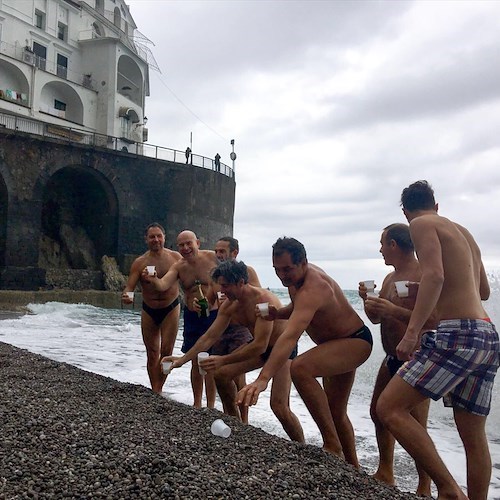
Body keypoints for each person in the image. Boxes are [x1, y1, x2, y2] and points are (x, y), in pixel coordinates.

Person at [377, 180, 498, 500]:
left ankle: (447, 489)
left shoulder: (420, 224)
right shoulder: (463, 232)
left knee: (389, 408)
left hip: (457, 334)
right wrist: (426, 291)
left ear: (405, 212)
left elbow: (435, 275)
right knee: (473, 436)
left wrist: (413, 332)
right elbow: (481, 291)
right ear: (437, 204)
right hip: (485, 334)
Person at [237, 237, 372, 467]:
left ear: (304, 263)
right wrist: (277, 313)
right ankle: (353, 466)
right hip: (335, 344)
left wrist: (263, 379)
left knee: (300, 367)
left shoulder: (313, 286)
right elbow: (298, 309)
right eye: (277, 270)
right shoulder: (295, 282)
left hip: (354, 341)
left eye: (287, 269)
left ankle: (331, 445)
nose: (282, 276)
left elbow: (289, 336)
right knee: (336, 411)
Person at [165, 259, 304, 443]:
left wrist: (223, 359)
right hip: (260, 348)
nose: (222, 291)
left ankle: (301, 446)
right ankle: (235, 426)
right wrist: (181, 360)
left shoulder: (263, 301)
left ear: (240, 282)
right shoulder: (231, 304)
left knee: (279, 406)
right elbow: (209, 337)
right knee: (221, 375)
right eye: (220, 285)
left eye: (226, 285)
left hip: (282, 349)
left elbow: (260, 345)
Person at [359, 223, 433, 495]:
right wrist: (370, 303)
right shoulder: (390, 279)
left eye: (382, 243)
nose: (380, 249)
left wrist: (390, 309)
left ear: (394, 244)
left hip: (417, 357)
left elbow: (434, 319)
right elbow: (379, 319)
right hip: (392, 356)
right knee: (377, 413)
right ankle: (386, 471)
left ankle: (425, 484)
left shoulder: (424, 273)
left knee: (415, 426)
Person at [145, 230, 219, 408]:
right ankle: (196, 403)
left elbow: (230, 277)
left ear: (198, 243)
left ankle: (210, 405)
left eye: (189, 243)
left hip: (214, 314)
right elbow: (163, 285)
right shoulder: (179, 267)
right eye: (181, 245)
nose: (185, 248)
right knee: (195, 360)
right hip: (193, 316)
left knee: (210, 360)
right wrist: (153, 280)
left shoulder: (212, 259)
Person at [121, 223, 181, 394]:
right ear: (146, 239)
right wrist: (126, 296)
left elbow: (190, 280)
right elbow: (129, 287)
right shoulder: (140, 263)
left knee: (167, 351)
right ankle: (155, 389)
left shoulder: (175, 258)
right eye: (152, 237)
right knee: (152, 352)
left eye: (159, 236)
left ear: (164, 237)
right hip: (149, 308)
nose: (156, 240)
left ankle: (159, 388)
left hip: (171, 308)